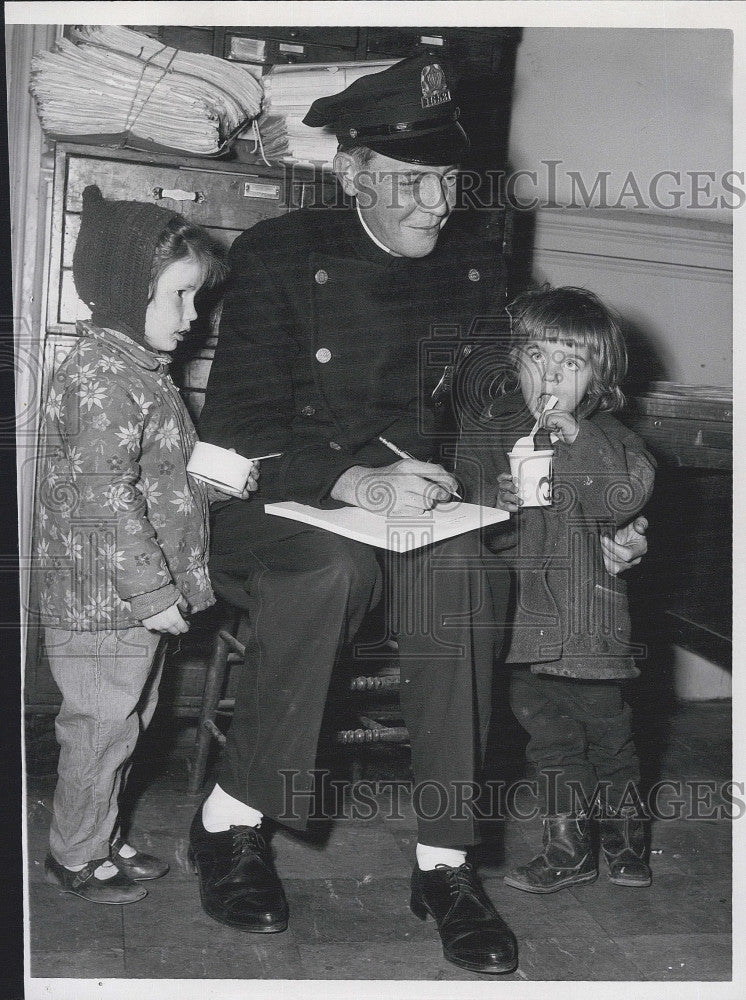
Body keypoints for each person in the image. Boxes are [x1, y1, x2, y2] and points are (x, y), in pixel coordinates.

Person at [191, 56, 648, 974]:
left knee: (467, 574)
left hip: (419, 512)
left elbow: (506, 417)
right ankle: (232, 820)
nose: (435, 203)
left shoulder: (473, 263)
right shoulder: (279, 254)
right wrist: (353, 485)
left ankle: (446, 861)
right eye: (409, 181)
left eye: (446, 179)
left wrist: (593, 510)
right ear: (354, 170)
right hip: (283, 503)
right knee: (332, 571)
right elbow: (236, 430)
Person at [36, 186, 253, 905]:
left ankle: (99, 831)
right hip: (107, 603)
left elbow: (154, 481)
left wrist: (214, 483)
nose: (194, 318)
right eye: (180, 298)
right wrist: (157, 595)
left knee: (128, 724)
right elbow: (106, 499)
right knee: (101, 730)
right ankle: (75, 852)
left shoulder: (139, 374)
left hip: (128, 601)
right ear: (131, 293)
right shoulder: (102, 382)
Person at [457, 286, 655, 894]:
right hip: (527, 629)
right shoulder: (496, 437)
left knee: (609, 737)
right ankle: (568, 850)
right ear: (513, 364)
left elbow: (624, 495)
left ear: (599, 379)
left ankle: (626, 843)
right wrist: (498, 506)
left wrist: (578, 440)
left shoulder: (612, 438)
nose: (551, 375)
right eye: (537, 357)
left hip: (591, 629)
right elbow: (475, 534)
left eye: (572, 363)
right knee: (550, 744)